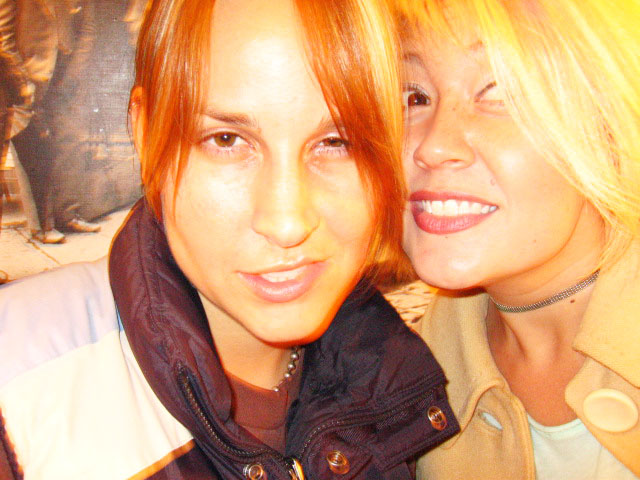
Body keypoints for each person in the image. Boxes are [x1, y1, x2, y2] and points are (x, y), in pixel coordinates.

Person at [0, 0, 459, 478]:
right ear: (146, 134)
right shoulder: (15, 392)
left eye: (336, 142)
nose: (287, 223)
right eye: (226, 140)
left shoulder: (406, 382)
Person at [396, 0, 640, 478]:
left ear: (609, 125)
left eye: (501, 92)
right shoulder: (390, 397)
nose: (433, 146)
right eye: (414, 97)